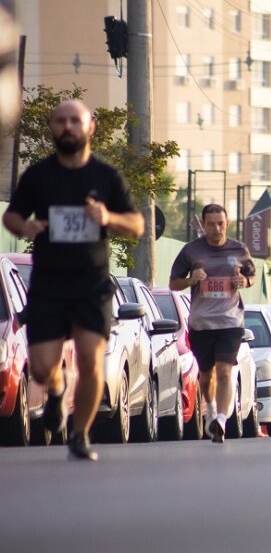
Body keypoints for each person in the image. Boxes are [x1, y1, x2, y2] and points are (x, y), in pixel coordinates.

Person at [3, 99, 144, 461]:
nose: (68, 127)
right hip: (49, 282)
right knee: (40, 366)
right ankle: (55, 389)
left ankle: (80, 434)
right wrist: (26, 225)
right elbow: (12, 217)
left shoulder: (106, 176)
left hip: (91, 283)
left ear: (90, 126)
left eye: (75, 121)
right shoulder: (38, 175)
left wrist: (107, 217)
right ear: (52, 128)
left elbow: (138, 226)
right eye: (61, 121)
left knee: (92, 360)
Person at [169, 204, 255, 444]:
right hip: (201, 324)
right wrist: (190, 280)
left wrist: (244, 281)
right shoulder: (191, 251)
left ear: (227, 223)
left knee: (225, 371)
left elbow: (251, 276)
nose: (216, 229)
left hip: (230, 322)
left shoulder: (239, 249)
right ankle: (212, 408)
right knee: (206, 376)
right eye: (211, 224)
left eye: (221, 223)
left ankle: (221, 420)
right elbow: (173, 283)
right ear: (203, 225)